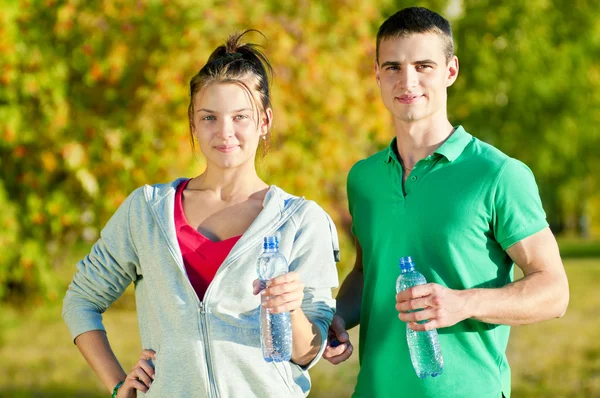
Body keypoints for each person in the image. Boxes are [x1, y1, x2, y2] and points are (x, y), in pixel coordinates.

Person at [62, 30, 339, 398]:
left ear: (265, 121)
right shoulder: (147, 210)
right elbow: (81, 300)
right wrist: (117, 385)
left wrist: (291, 310)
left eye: (241, 116)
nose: (225, 132)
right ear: (193, 123)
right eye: (209, 118)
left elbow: (307, 354)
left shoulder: (302, 220)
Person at [323, 7, 569, 398]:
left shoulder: (498, 174)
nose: (408, 81)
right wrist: (335, 317)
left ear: (450, 70)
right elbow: (367, 272)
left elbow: (554, 291)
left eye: (424, 65)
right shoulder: (363, 179)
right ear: (376, 74)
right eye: (393, 67)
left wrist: (462, 303)